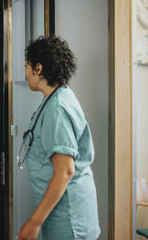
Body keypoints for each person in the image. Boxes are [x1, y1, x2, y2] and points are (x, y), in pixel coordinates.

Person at [16, 36, 100, 240]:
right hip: (64, 210)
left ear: (38, 68)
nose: (25, 72)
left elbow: (65, 171)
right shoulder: (58, 96)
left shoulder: (57, 108)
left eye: (26, 65)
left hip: (69, 217)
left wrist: (34, 222)